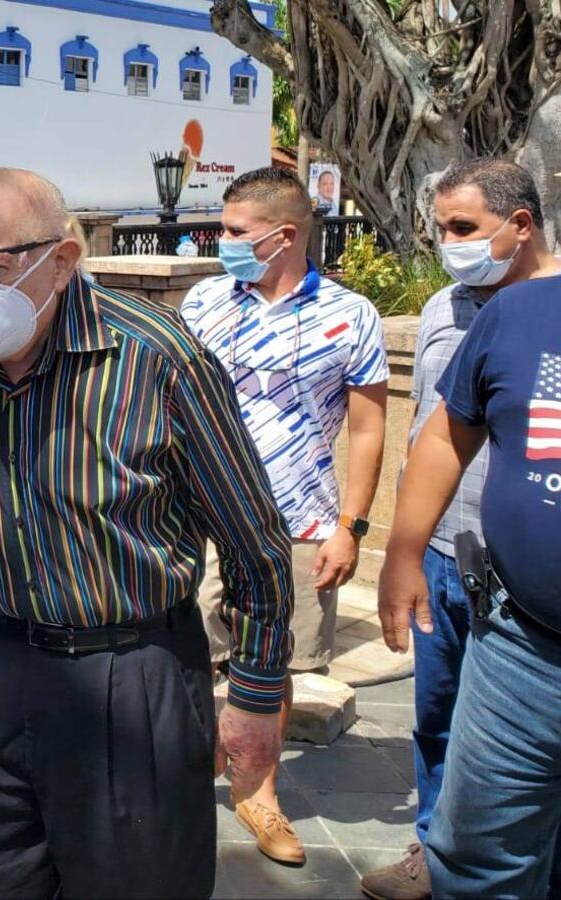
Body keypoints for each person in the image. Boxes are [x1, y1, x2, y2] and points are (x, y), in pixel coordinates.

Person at [0, 167, 293, 898]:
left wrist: (255, 696)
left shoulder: (158, 357)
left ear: (62, 260)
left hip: (130, 676)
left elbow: (254, 542)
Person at [181, 165, 389, 866]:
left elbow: (368, 429)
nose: (222, 242)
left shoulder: (350, 315)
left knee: (274, 665)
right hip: (201, 513)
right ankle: (191, 764)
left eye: (236, 232)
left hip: (299, 519)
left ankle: (258, 789)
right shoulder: (205, 302)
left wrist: (350, 527)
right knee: (187, 647)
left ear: (286, 235)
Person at [369, 158, 561, 900]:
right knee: (446, 738)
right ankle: (434, 847)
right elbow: (440, 433)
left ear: (522, 225)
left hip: (504, 596)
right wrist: (404, 550)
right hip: (512, 620)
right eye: (441, 229)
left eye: (461, 228)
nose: (449, 245)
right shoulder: (496, 314)